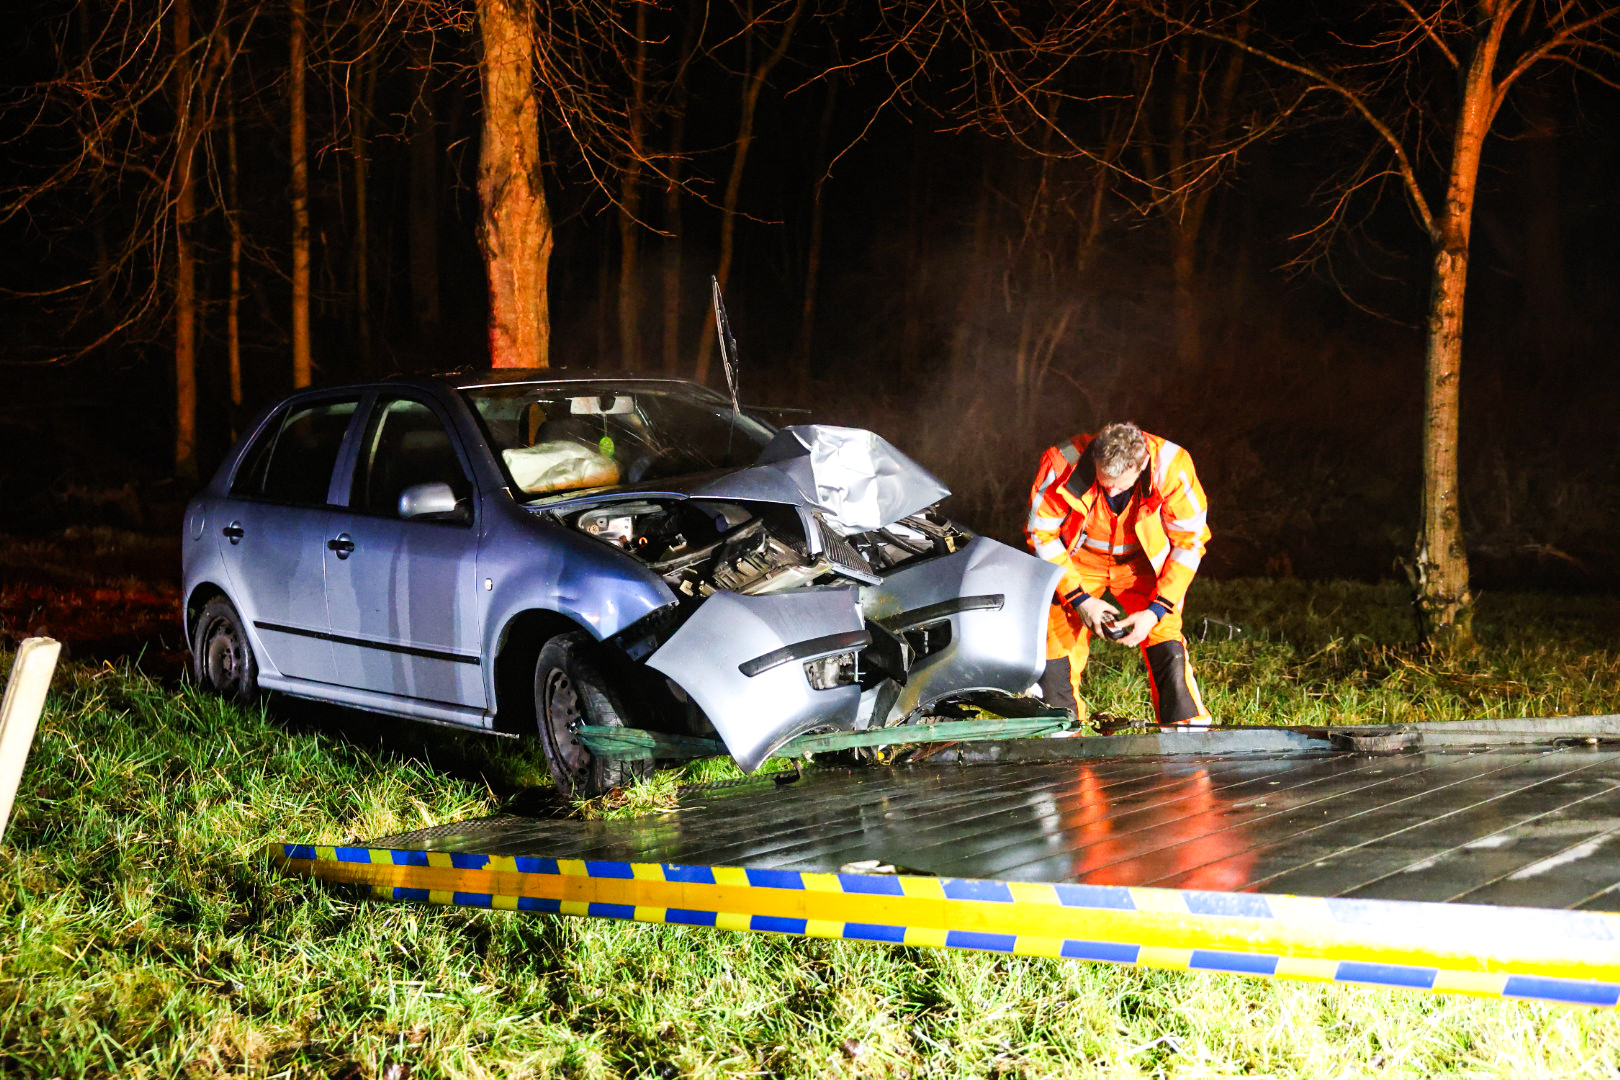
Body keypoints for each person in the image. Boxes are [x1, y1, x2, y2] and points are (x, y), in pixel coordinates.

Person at [1025, 421, 1212, 730]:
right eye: (1104, 480)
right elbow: (1042, 534)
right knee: (1054, 636)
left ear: (1141, 467)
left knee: (1164, 631)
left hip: (1142, 562)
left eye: (1120, 484)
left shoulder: (1174, 465)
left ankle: (1186, 726)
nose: (1110, 489)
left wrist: (1155, 611)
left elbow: (1189, 543)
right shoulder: (1060, 462)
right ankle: (1062, 728)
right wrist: (1080, 600)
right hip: (1079, 560)